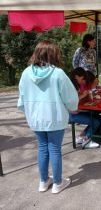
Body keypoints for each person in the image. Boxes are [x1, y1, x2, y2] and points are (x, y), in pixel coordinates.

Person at [17, 40, 78, 194]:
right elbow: (70, 98)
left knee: (43, 148)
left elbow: (22, 99)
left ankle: (43, 181)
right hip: (55, 118)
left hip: (35, 119)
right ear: (54, 54)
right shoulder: (58, 73)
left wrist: (30, 112)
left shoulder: (25, 73)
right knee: (54, 149)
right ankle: (57, 183)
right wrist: (73, 108)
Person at [69, 67, 101, 148]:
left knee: (98, 118)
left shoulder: (78, 85)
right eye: (82, 78)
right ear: (76, 76)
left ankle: (82, 137)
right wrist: (83, 95)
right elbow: (70, 101)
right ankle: (86, 140)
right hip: (72, 114)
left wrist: (86, 95)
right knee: (96, 121)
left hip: (77, 111)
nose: (83, 81)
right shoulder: (71, 86)